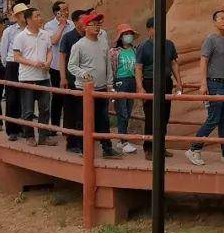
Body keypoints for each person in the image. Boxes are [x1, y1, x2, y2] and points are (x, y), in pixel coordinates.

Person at [187, 10, 224, 165]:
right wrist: (203, 83)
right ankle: (194, 149)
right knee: (213, 118)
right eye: (221, 18)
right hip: (214, 84)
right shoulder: (211, 40)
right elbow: (203, 60)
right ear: (214, 22)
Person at [66, 12, 117, 158]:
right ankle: (83, 147)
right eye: (93, 24)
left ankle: (107, 148)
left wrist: (109, 84)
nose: (96, 27)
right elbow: (72, 65)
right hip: (84, 89)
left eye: (98, 24)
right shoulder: (79, 45)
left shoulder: (103, 42)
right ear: (85, 27)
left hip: (101, 88)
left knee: (104, 119)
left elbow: (107, 64)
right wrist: (83, 74)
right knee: (83, 119)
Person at [135, 17, 184, 160]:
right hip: (150, 83)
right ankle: (149, 148)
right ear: (149, 29)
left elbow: (174, 64)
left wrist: (179, 83)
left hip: (166, 83)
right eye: (156, 27)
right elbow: (138, 67)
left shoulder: (169, 44)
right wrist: (140, 87)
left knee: (164, 116)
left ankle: (161, 147)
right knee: (151, 116)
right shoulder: (144, 46)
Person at [12, 7, 56, 146]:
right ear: (28, 20)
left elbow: (49, 51)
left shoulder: (45, 34)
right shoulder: (21, 37)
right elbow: (17, 57)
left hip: (44, 77)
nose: (40, 18)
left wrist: (48, 62)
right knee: (28, 110)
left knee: (45, 108)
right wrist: (33, 63)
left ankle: (43, 136)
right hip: (27, 77)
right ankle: (29, 136)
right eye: (36, 16)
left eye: (40, 15)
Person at [57, 10, 88, 153]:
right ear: (75, 22)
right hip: (71, 79)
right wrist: (63, 77)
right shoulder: (68, 37)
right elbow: (62, 57)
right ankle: (71, 143)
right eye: (83, 19)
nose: (86, 21)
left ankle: (83, 141)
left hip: (86, 82)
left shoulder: (90, 37)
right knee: (71, 112)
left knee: (83, 112)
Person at [109, 24, 140, 155]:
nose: (129, 36)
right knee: (122, 111)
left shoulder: (135, 50)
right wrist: (111, 85)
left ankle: (123, 138)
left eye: (130, 33)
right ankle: (123, 141)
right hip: (120, 81)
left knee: (128, 110)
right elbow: (110, 68)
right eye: (126, 33)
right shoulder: (114, 52)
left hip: (132, 81)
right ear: (121, 37)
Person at [0, 3, 29, 140]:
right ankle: (12, 130)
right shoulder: (9, 31)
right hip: (13, 64)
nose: (25, 15)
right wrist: (8, 65)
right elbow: (3, 51)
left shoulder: (32, 30)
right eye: (23, 13)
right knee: (12, 98)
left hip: (27, 65)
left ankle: (24, 128)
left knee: (25, 97)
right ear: (17, 16)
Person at [44, 1, 74, 127]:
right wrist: (61, 26)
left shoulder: (72, 24)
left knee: (70, 98)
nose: (66, 12)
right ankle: (55, 125)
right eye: (63, 10)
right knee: (57, 98)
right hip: (56, 66)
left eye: (67, 9)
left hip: (70, 66)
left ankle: (68, 127)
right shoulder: (49, 26)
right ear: (57, 12)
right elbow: (53, 41)